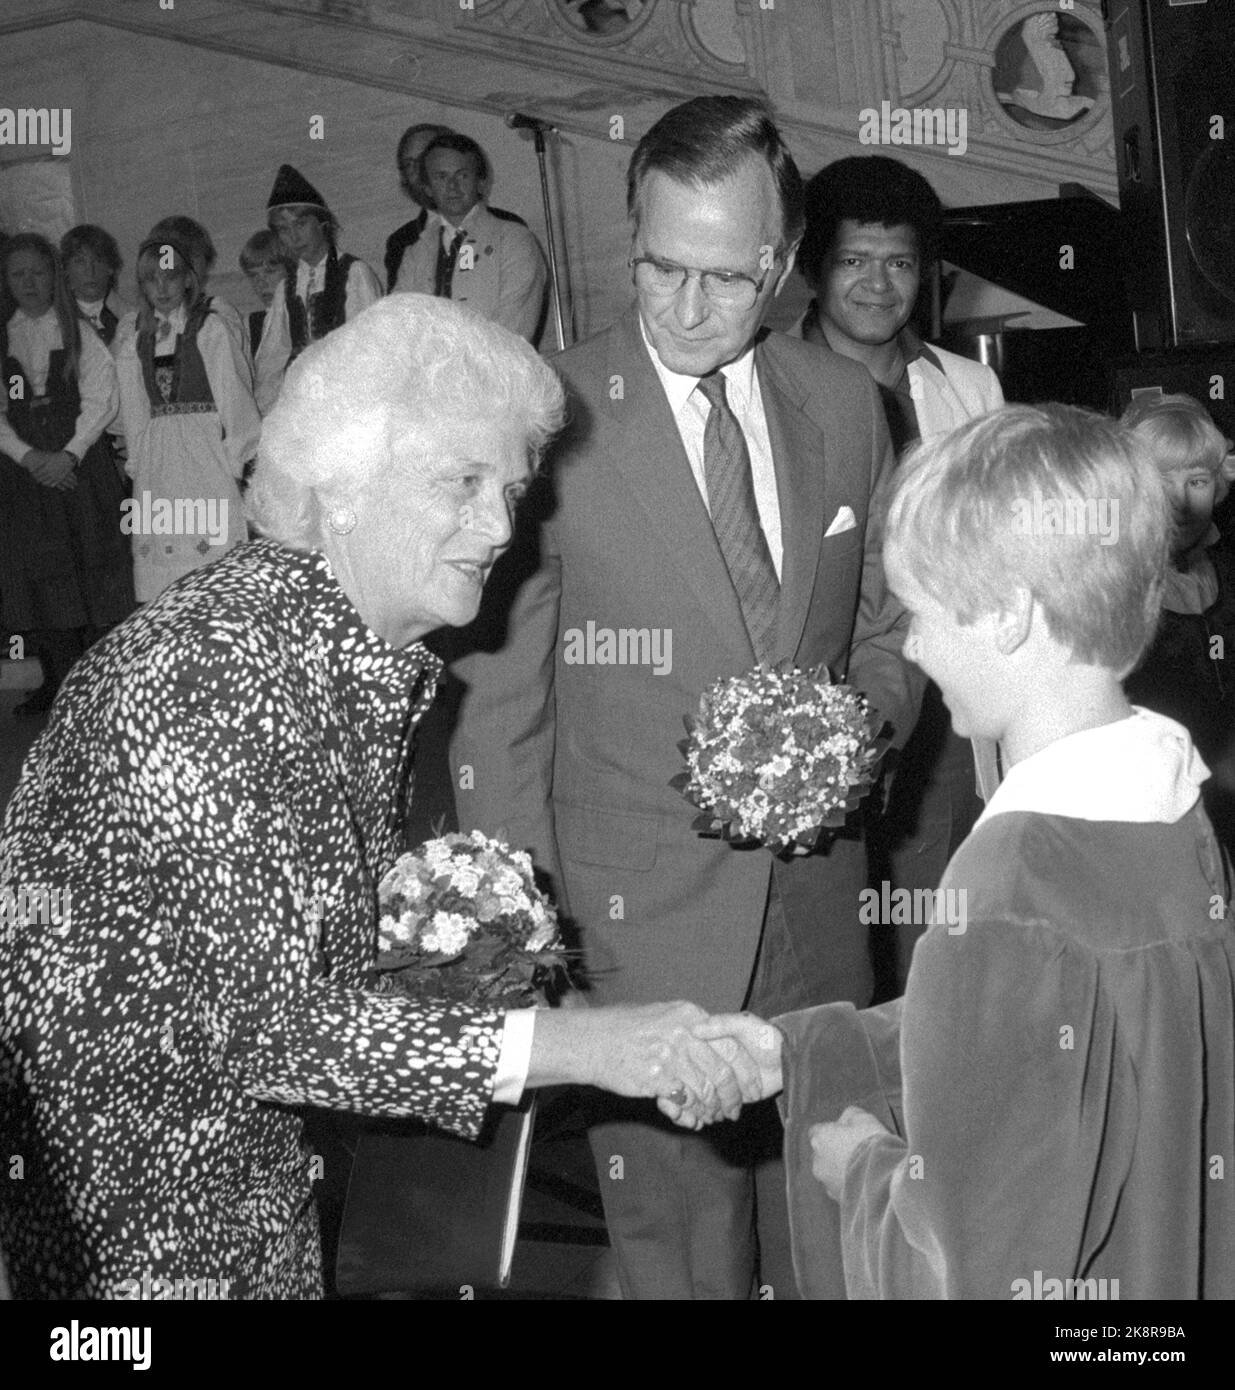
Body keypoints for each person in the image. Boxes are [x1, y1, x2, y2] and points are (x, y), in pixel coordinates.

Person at [0, 295, 768, 1300]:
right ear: (342, 488)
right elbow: (268, 1031)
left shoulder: (334, 657)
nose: (502, 526)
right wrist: (594, 1044)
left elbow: (307, 972)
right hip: (135, 1222)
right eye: (463, 482)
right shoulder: (220, 672)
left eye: (515, 489)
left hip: (237, 1190)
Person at [450, 95, 924, 1300]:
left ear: (778, 263)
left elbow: (884, 624)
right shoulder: (543, 421)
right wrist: (526, 944)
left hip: (817, 921)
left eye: (723, 277)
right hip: (632, 931)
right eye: (659, 267)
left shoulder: (842, 405)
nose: (683, 307)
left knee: (834, 1247)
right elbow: (501, 716)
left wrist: (851, 734)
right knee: (683, 1270)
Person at [700, 404, 1235, 1299]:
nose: (909, 646)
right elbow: (1058, 1052)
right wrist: (795, 1055)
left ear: (1010, 616)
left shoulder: (1009, 887)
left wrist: (863, 1170)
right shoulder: (1173, 807)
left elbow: (975, 1270)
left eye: (919, 613)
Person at [795, 154, 1005, 990]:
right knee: (829, 943)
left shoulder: (969, 388)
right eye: (853, 261)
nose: (878, 285)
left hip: (945, 704)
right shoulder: (767, 385)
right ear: (811, 271)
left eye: (900, 263)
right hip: (821, 697)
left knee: (938, 935)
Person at [0, 232, 134, 718]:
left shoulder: (77, 329)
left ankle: (101, 684)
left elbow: (103, 399)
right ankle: (58, 681)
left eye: (38, 272)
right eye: (19, 274)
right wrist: (29, 457)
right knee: (41, 573)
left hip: (80, 468)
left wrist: (69, 455)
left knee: (94, 568)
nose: (29, 282)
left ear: (53, 276)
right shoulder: (4, 335)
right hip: (27, 472)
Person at [113, 233, 259, 602]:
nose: (161, 288)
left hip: (206, 454)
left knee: (213, 553)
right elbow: (135, 411)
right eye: (152, 280)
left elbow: (233, 395)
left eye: (170, 277)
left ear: (188, 280)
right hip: (159, 462)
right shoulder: (136, 340)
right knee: (167, 552)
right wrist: (139, 462)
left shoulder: (208, 328)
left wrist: (234, 459)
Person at [1122, 393, 1235, 850]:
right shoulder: (1113, 595)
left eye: (1197, 480)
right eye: (1161, 480)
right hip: (1162, 825)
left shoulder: (1227, 570)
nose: (1181, 501)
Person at [392, 131, 547, 343]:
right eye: (441, 177)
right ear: (427, 188)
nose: (452, 186)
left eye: (462, 175)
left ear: (481, 183)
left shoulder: (514, 240)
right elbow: (398, 325)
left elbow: (513, 333)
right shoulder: (415, 253)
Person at [254, 164, 383, 415]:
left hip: (347, 401)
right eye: (283, 229)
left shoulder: (354, 273)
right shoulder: (287, 287)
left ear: (322, 223)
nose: (293, 236)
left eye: (300, 224)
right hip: (302, 404)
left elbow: (371, 346)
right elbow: (272, 357)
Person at [384, 121, 451, 292]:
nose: (417, 171)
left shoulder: (505, 226)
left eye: (424, 159)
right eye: (409, 164)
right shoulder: (400, 242)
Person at [60, 224, 128, 349]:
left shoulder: (132, 317)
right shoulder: (56, 320)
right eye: (80, 261)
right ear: (66, 269)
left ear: (111, 268)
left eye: (98, 260)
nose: (90, 271)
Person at [238, 228, 294, 358]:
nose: (261, 283)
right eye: (253, 275)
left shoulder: (310, 318)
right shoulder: (250, 326)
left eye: (270, 272)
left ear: (291, 272)